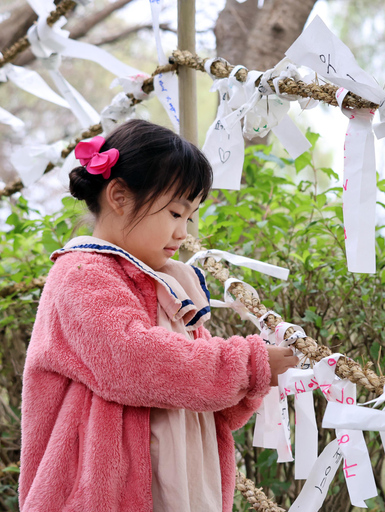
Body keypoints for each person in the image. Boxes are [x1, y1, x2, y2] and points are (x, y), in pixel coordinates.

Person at [19, 119, 298, 512]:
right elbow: (132, 358)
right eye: (174, 213)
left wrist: (253, 382)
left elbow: (195, 388)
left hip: (180, 484)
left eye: (189, 217)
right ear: (119, 196)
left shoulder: (167, 283)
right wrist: (243, 364)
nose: (184, 232)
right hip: (108, 494)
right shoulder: (81, 273)